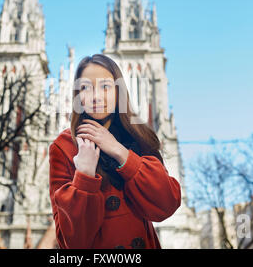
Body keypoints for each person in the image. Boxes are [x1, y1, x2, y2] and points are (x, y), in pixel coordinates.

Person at [48, 54, 181, 249]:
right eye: (85, 87)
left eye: (105, 86)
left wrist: (120, 152)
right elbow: (72, 242)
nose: (96, 96)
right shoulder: (64, 147)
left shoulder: (138, 136)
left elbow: (166, 205)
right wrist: (84, 175)